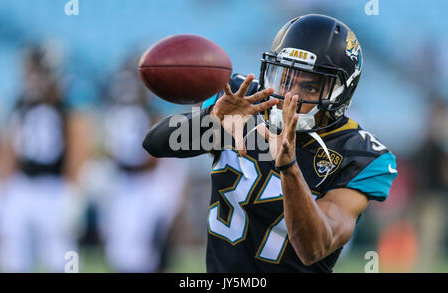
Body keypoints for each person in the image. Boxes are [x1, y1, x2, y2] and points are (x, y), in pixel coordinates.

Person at [142, 14, 398, 273]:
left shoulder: (359, 154)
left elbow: (315, 248)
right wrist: (212, 120)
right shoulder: (246, 102)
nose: (290, 95)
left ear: (339, 93)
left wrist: (289, 168)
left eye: (310, 87)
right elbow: (155, 144)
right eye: (285, 79)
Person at [0, 44, 90, 272]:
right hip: (22, 184)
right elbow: (11, 147)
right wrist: (3, 183)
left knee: (58, 253)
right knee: (13, 251)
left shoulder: (66, 102)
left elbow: (78, 145)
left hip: (54, 186)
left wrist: (73, 189)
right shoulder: (21, 102)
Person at [96, 55, 188, 272]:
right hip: (125, 182)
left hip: (148, 182)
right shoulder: (115, 113)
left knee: (152, 242)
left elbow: (159, 156)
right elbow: (106, 148)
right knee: (120, 245)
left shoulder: (153, 112)